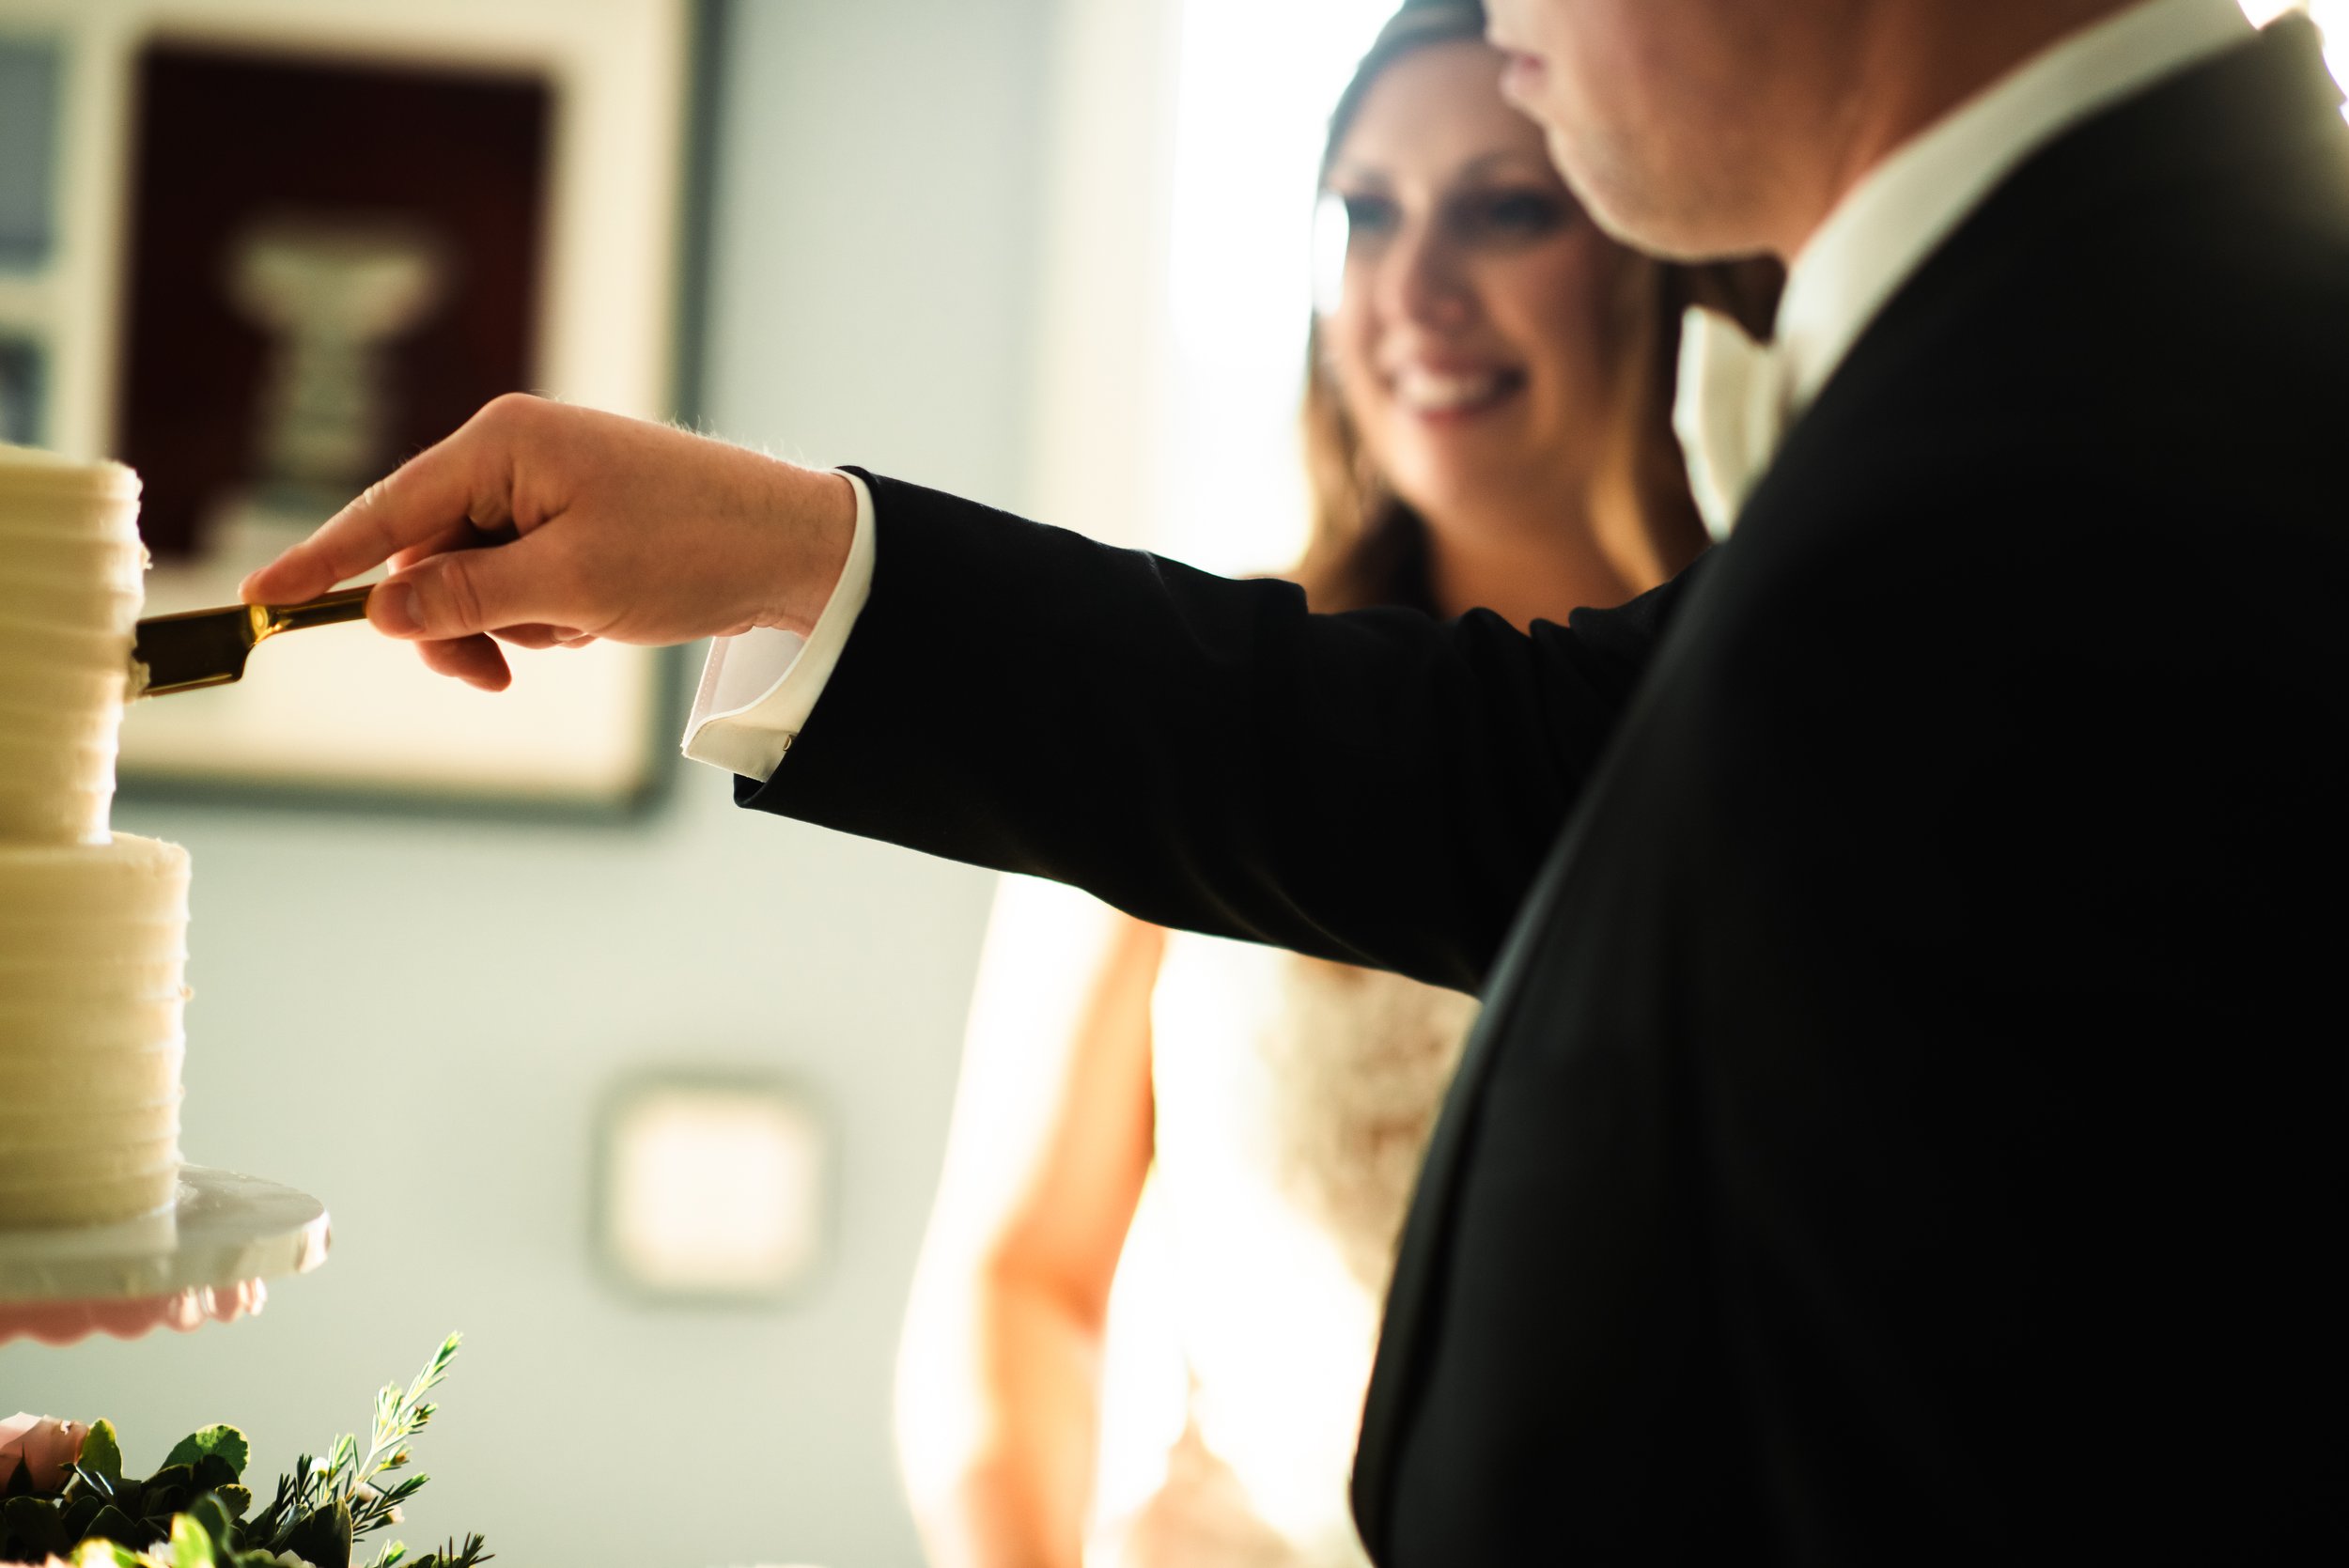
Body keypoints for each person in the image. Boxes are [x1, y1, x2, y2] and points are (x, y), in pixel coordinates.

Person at [245, 0, 2348, 1560]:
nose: (1511, 33)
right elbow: (1539, 769)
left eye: (1498, 205)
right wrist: (800, 549)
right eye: (1361, 214)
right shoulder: (2076, 351)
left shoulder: (2150, 398)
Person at [892, 8, 1772, 1566]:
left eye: (1506, 209)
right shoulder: (1181, 697)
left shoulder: (1774, 709)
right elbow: (1017, 1273)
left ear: (1649, 245)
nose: (1416, 292)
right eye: (1367, 215)